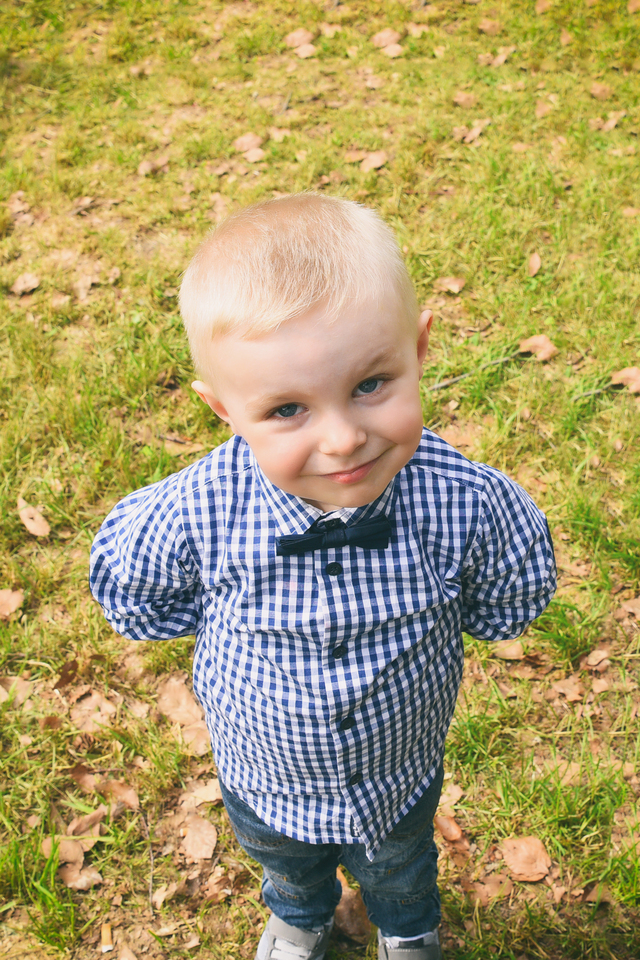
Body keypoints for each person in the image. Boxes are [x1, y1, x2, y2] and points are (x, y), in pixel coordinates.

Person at [90, 194, 556, 960]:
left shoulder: (464, 502)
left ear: (418, 349)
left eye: (370, 385)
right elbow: (133, 593)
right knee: (287, 867)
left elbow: (510, 595)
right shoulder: (198, 511)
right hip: (263, 778)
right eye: (286, 410)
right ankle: (299, 914)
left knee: (402, 869)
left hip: (397, 778)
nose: (342, 438)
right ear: (224, 410)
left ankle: (407, 927)